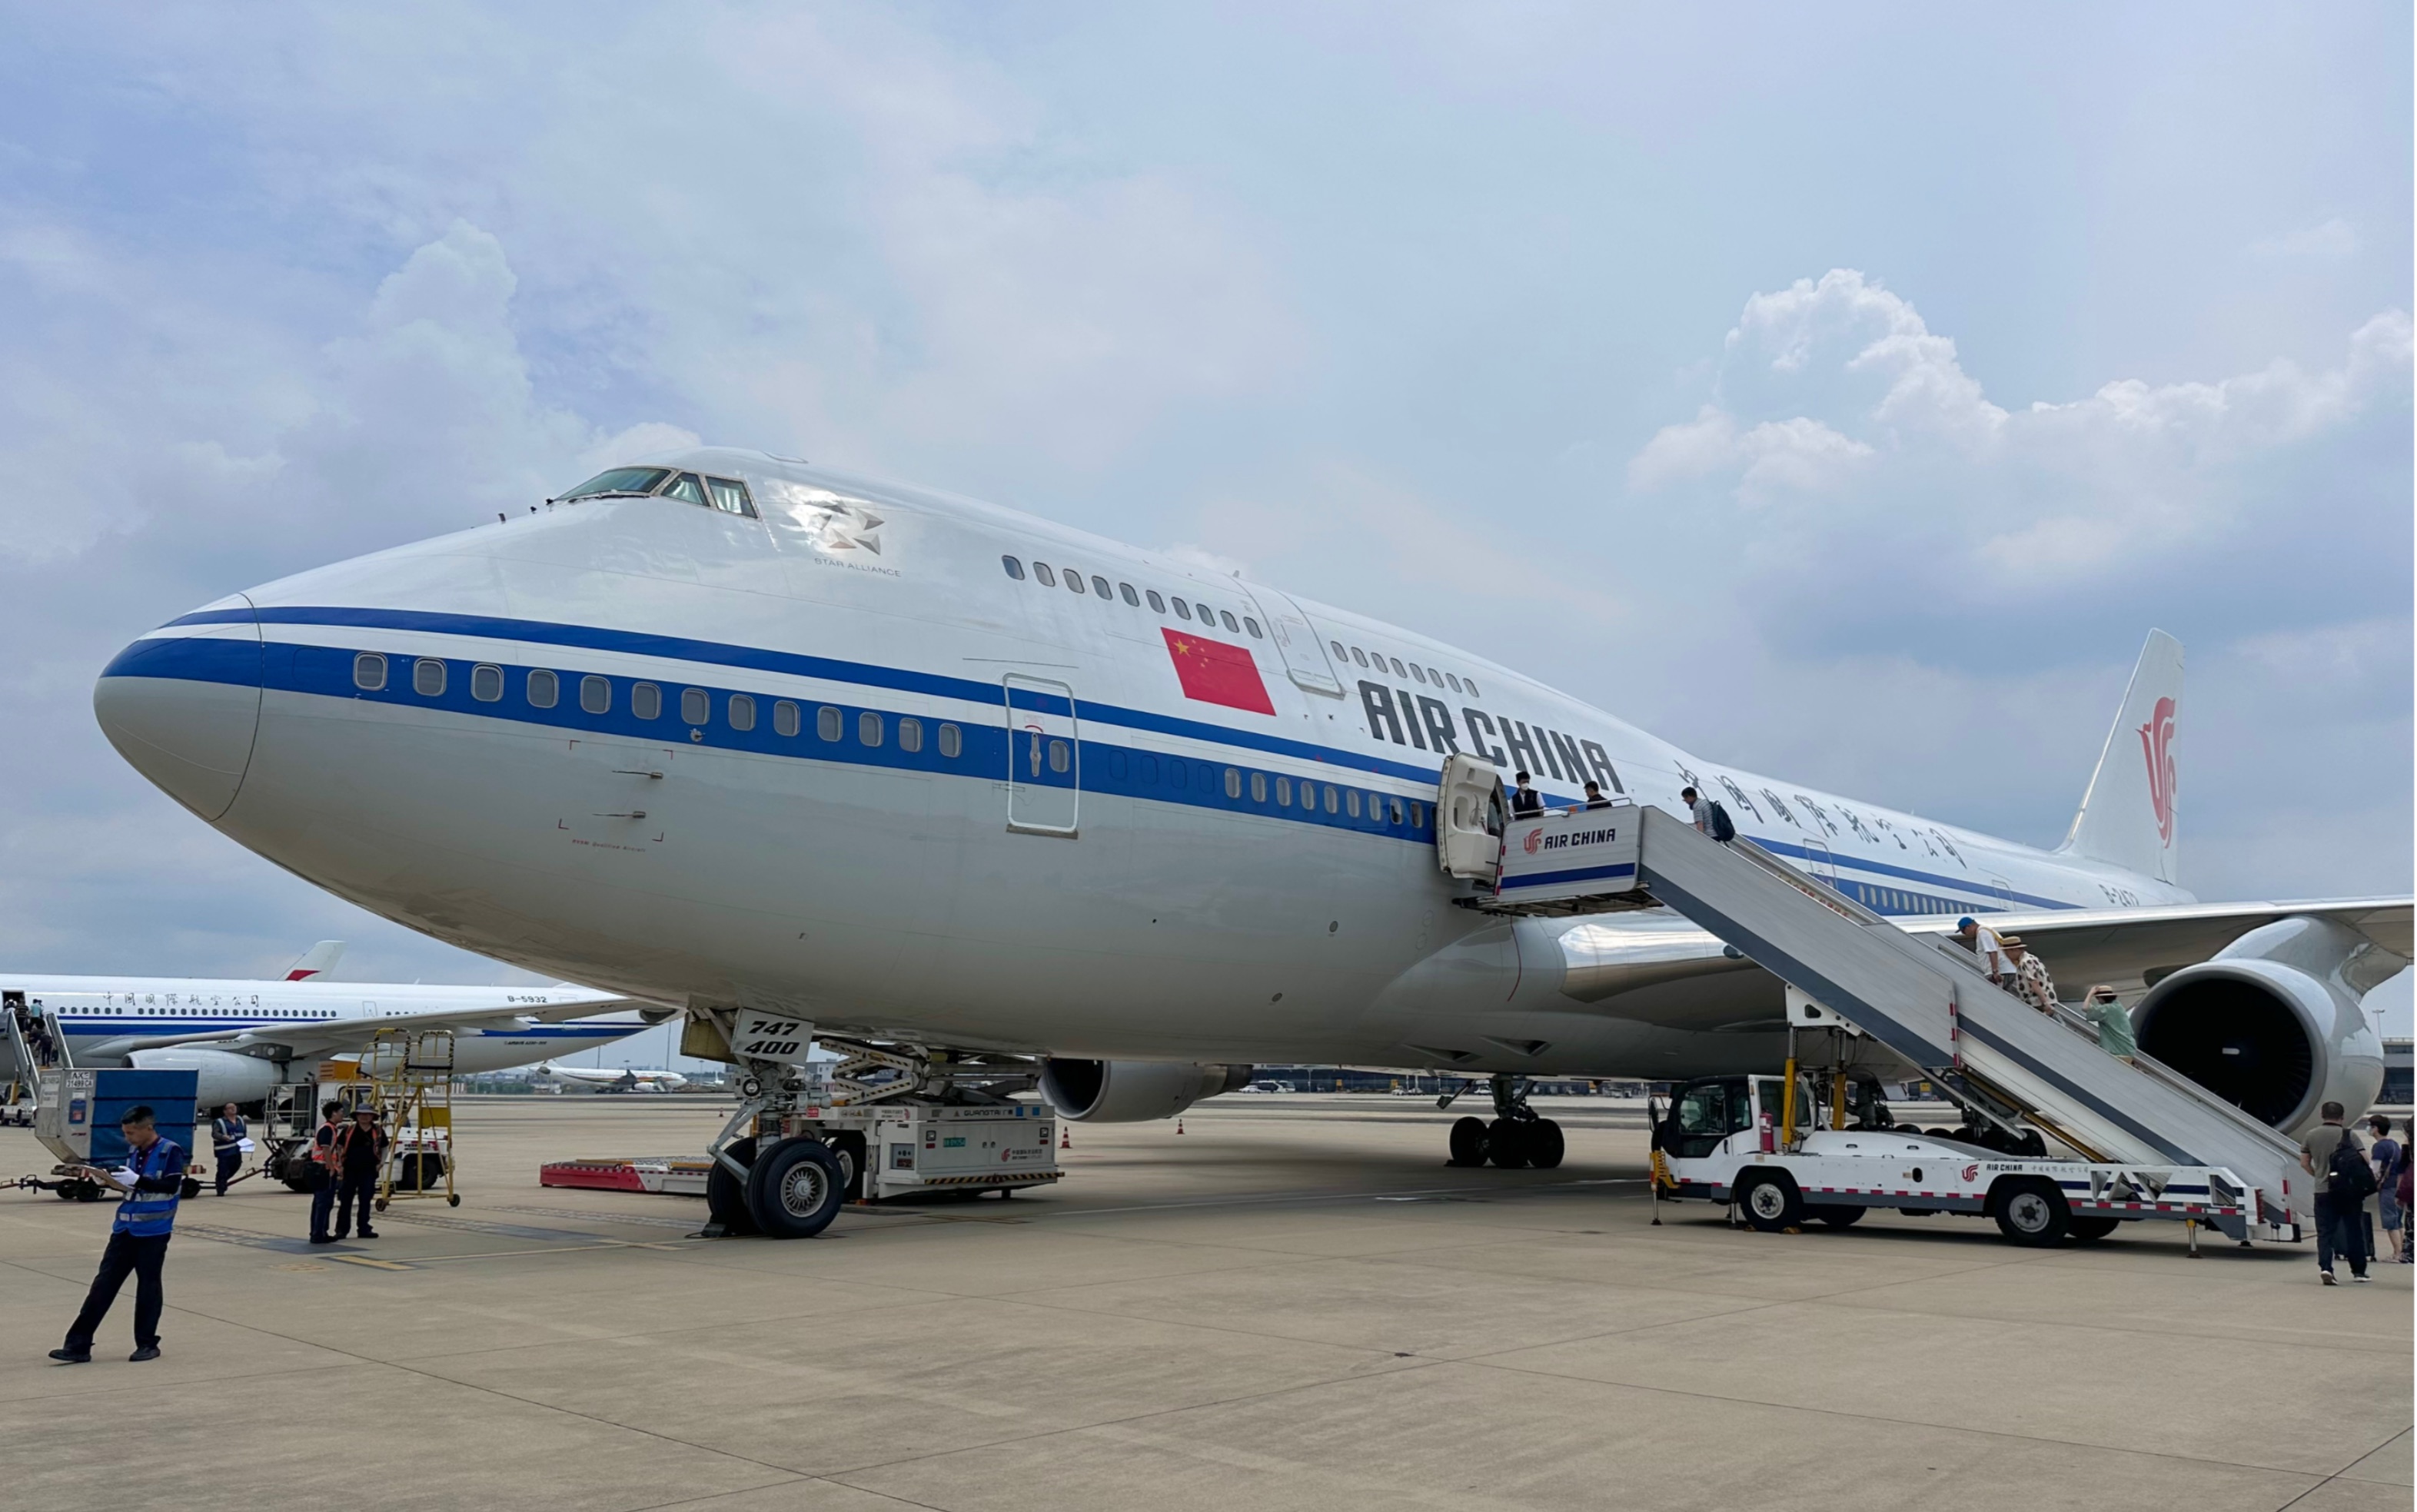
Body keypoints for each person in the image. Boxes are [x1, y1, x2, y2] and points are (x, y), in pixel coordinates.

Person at [49, 1105, 185, 1363]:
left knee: (148, 1287)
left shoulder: (170, 1151)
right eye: (125, 1133)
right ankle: (78, 1346)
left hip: (153, 1232)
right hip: (124, 1229)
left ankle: (147, 1344)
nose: (128, 1138)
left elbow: (170, 1186)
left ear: (149, 1128)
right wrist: (112, 1181)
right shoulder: (135, 1150)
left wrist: (138, 1180)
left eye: (131, 1133)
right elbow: (132, 1187)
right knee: (102, 1287)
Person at [2300, 1102, 2370, 1284]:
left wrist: (2319, 1175)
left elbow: (2305, 1163)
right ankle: (2359, 1271)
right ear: (2342, 1116)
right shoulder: (2349, 1135)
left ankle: (2326, 1268)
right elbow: (2365, 1159)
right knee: (2353, 1230)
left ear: (2322, 1115)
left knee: (2324, 1233)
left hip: (2323, 1191)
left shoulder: (2311, 1135)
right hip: (2349, 1192)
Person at [327, 1104, 387, 1241]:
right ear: (356, 1116)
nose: (364, 1117)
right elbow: (339, 1146)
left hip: (369, 1170)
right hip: (350, 1170)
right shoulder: (349, 1130)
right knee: (346, 1200)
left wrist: (381, 1164)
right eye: (361, 1114)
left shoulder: (378, 1131)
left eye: (367, 1114)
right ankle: (342, 1230)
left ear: (372, 1116)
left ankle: (364, 1228)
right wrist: (340, 1165)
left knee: (365, 1200)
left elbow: (384, 1147)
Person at [307, 1098, 346, 1244]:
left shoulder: (331, 1128)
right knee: (323, 1202)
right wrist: (331, 1167)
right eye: (341, 1112)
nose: (343, 1115)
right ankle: (318, 1233)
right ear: (333, 1113)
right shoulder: (327, 1129)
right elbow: (326, 1148)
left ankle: (321, 1231)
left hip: (324, 1167)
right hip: (323, 1168)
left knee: (323, 1203)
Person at [2368, 1115, 2402, 1268]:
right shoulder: (2394, 1144)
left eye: (2371, 1126)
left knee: (2389, 1222)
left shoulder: (2379, 1147)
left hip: (2387, 1187)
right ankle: (2402, 1252)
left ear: (2376, 1128)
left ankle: (2397, 1253)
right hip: (2398, 1185)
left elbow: (2375, 1169)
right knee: (2397, 1220)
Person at [2077, 985, 2137, 1063]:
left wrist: (2090, 993)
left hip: (2117, 1050)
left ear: (2102, 998)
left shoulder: (2107, 1010)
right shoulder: (2117, 1006)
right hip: (2127, 1048)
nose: (2098, 1001)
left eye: (2098, 998)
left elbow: (2085, 1008)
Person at [2003, 937, 2057, 1014]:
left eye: (2007, 952)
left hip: (2038, 1002)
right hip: (2046, 998)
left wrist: (2045, 1003)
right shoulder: (2033, 958)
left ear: (2014, 950)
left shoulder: (2025, 962)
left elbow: (2034, 983)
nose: (2006, 956)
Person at [1954, 917, 2010, 985]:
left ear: (1969, 926)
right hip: (2003, 970)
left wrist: (1995, 972)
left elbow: (1992, 951)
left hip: (2001, 971)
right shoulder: (1984, 930)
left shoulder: (1983, 932)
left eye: (1963, 931)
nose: (1964, 934)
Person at [209, 1102, 246, 1196]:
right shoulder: (219, 1122)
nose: (233, 1109)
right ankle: (220, 1188)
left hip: (237, 1150)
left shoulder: (240, 1120)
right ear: (225, 1111)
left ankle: (223, 1181)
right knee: (223, 1170)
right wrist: (223, 1137)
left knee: (236, 1166)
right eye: (230, 1108)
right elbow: (214, 1134)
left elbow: (244, 1133)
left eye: (234, 1107)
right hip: (224, 1151)